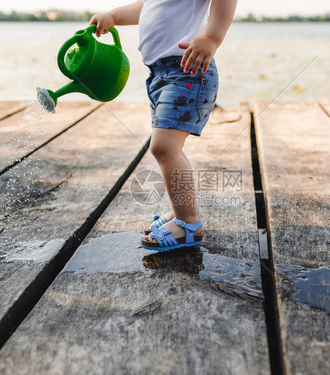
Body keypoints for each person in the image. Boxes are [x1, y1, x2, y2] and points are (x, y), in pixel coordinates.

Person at [90, 0, 237, 251]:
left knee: (164, 148)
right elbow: (146, 7)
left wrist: (212, 38)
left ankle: (188, 223)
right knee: (171, 150)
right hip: (160, 75)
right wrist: (113, 16)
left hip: (188, 70)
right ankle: (183, 209)